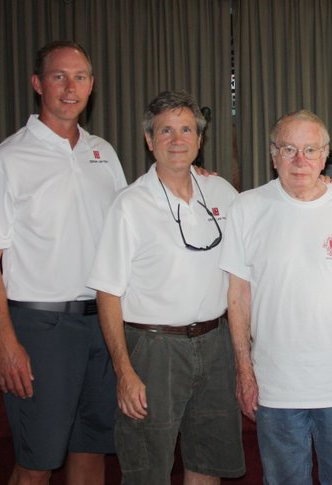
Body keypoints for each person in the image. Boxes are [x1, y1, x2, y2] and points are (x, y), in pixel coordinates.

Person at [0, 41, 125, 484]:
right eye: (59, 76)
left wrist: (195, 178)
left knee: (92, 452)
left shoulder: (104, 153)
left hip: (102, 324)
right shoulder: (4, 161)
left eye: (80, 76)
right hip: (41, 329)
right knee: (37, 462)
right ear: (37, 84)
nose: (70, 87)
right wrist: (5, 344)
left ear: (92, 85)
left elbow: (133, 225)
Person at [87, 91, 245, 484]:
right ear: (149, 140)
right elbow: (107, 293)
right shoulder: (129, 204)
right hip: (153, 349)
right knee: (147, 469)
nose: (177, 139)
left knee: (207, 463)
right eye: (166, 131)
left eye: (186, 129)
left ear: (200, 139)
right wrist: (124, 371)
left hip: (215, 344)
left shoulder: (223, 193)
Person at [220, 109, 332, 484]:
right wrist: (244, 371)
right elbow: (238, 297)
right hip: (276, 387)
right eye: (289, 149)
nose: (300, 160)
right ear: (272, 154)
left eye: (310, 149)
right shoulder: (247, 207)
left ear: (325, 155)